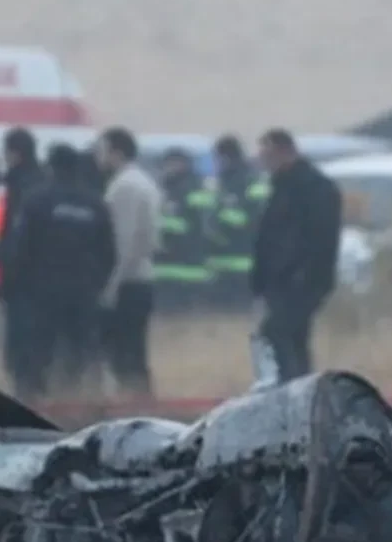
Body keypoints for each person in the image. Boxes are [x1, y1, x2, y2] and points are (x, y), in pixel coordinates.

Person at [7, 143, 116, 397]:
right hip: (82, 291)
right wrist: (95, 283)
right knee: (78, 351)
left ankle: (37, 400)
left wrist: (20, 284)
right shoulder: (95, 204)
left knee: (39, 350)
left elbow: (21, 247)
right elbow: (109, 253)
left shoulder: (36, 201)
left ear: (51, 167)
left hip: (42, 292)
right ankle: (73, 399)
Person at [251, 128, 342, 384]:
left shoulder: (315, 188)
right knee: (294, 338)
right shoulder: (279, 187)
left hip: (303, 280)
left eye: (267, 155)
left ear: (284, 152)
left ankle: (292, 385)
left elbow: (321, 237)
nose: (263, 162)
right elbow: (267, 237)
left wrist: (304, 273)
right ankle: (300, 387)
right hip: (278, 281)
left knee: (276, 332)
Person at [97, 126, 164, 396]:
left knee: (124, 355)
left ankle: (134, 405)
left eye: (101, 150)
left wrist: (110, 288)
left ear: (116, 152)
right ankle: (141, 402)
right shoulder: (144, 181)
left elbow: (123, 241)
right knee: (134, 352)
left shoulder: (124, 186)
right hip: (141, 279)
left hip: (128, 281)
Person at [0, 127, 48, 387]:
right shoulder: (44, 181)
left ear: (13, 153)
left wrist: (4, 270)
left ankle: (26, 390)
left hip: (20, 278)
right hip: (45, 277)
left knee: (21, 346)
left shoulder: (16, 184)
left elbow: (13, 234)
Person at [208, 134, 269, 307]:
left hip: (244, 261)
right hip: (220, 262)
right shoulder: (221, 182)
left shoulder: (252, 182)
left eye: (219, 159)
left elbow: (253, 219)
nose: (217, 164)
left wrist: (221, 217)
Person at [154, 148, 214, 310]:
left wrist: (166, 225)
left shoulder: (194, 187)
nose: (169, 167)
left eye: (173, 163)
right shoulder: (164, 187)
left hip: (189, 256)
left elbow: (198, 221)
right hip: (166, 258)